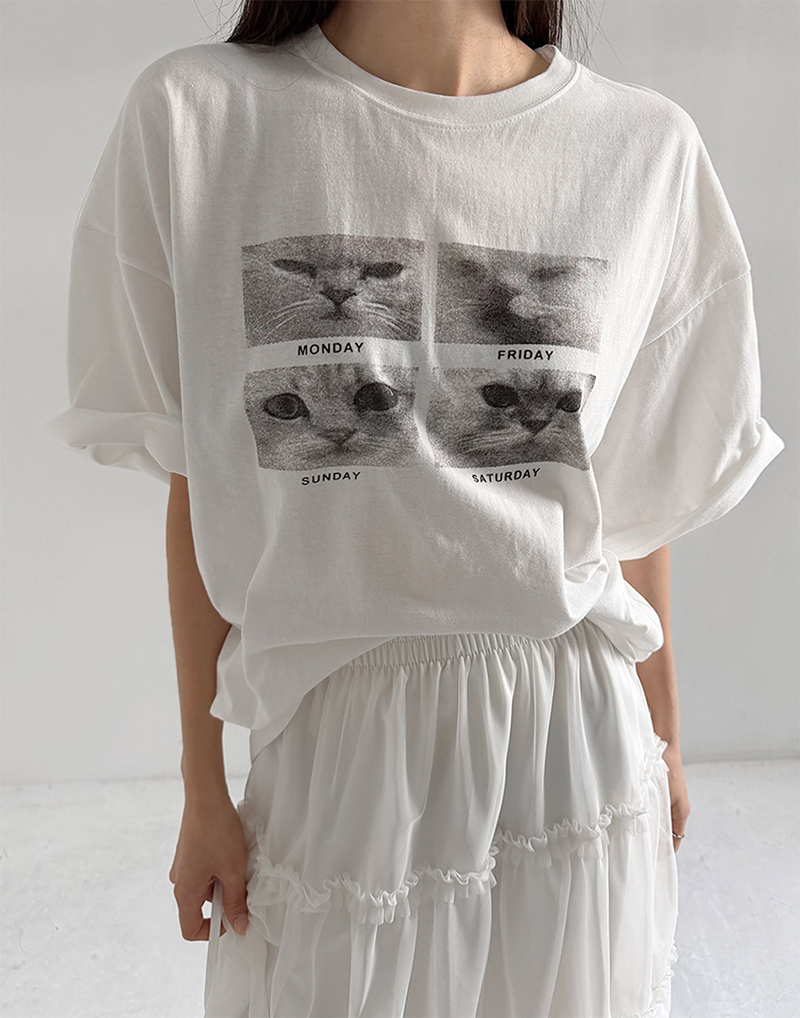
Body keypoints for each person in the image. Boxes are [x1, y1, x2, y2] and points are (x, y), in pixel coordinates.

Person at [43, 0, 785, 1014]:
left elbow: (627, 501)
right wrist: (203, 787)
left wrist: (667, 741)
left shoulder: (638, 147)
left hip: (573, 740)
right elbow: (201, 477)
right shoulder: (200, 119)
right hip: (334, 744)